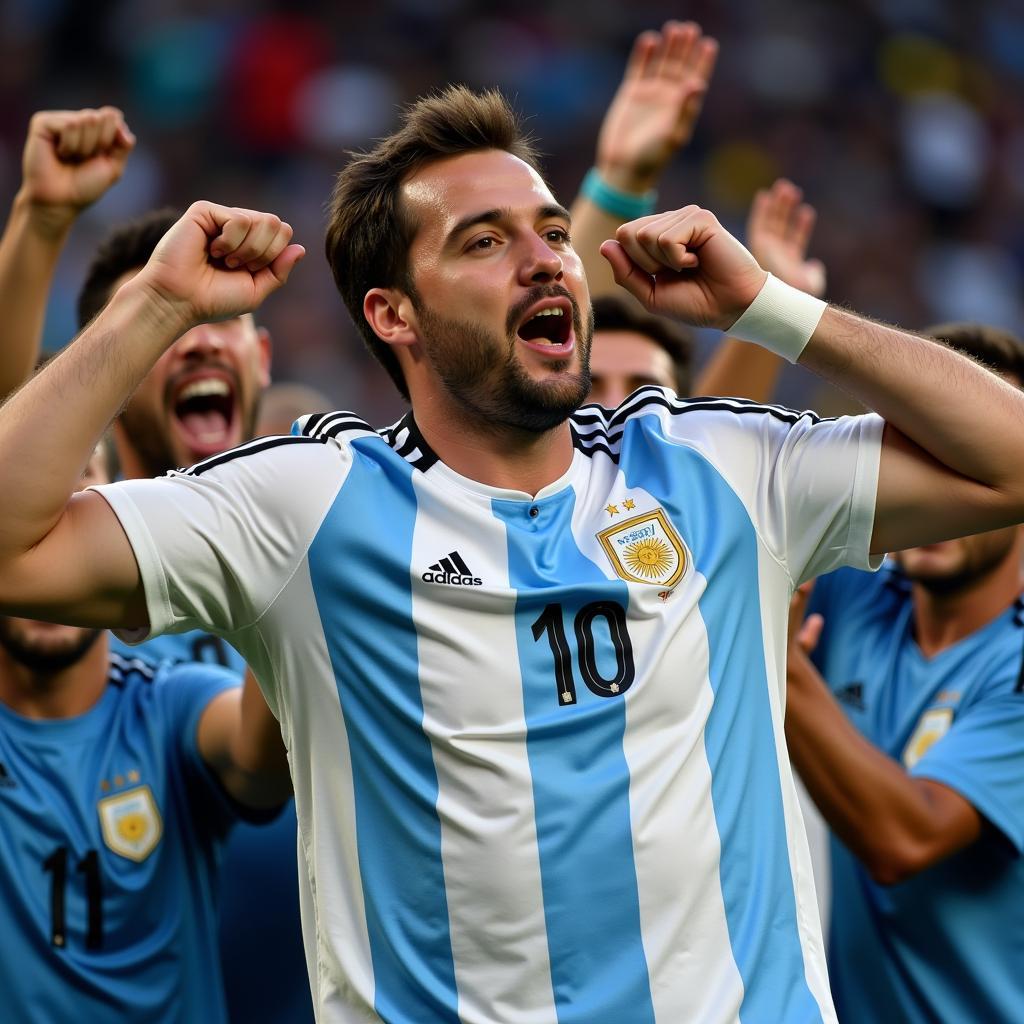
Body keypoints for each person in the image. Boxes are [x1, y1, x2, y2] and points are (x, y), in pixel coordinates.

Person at [3, 88, 1024, 1024]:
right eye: (483, 242)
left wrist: (770, 307)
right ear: (391, 313)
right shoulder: (303, 509)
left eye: (551, 233)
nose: (544, 259)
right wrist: (156, 307)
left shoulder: (717, 463)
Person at [0, 113, 312, 1022]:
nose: (200, 340)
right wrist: (41, 222)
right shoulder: (128, 627)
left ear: (262, 355)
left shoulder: (176, 699)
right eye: (165, 330)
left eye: (225, 325)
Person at [0, 443, 290, 1024]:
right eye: (23, 515)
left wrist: (291, 561)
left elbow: (256, 758)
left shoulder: (170, 706)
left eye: (74, 489)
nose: (46, 531)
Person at [785, 322, 1024, 1024]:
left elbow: (905, 838)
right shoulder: (864, 592)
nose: (938, 493)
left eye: (968, 467)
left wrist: (782, 666)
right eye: (918, 456)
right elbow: (698, 520)